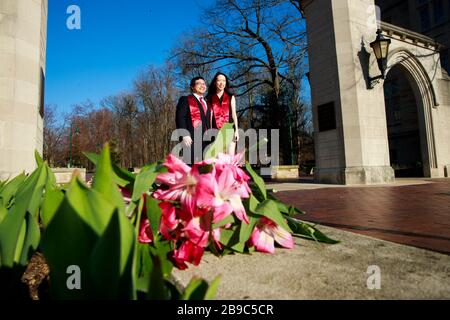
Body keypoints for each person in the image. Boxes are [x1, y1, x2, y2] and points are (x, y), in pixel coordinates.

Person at [175, 76, 214, 164]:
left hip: (207, 140)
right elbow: (180, 117)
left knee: (205, 168)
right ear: (192, 87)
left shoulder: (207, 103)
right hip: (191, 139)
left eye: (204, 84)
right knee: (191, 167)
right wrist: (184, 134)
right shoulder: (185, 99)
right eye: (198, 83)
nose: (202, 85)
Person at [206, 72, 239, 154]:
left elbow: (234, 115)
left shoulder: (231, 97)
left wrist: (237, 131)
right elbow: (209, 117)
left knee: (230, 159)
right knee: (218, 160)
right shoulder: (209, 98)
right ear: (215, 82)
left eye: (224, 80)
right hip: (215, 132)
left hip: (230, 130)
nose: (221, 83)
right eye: (219, 80)